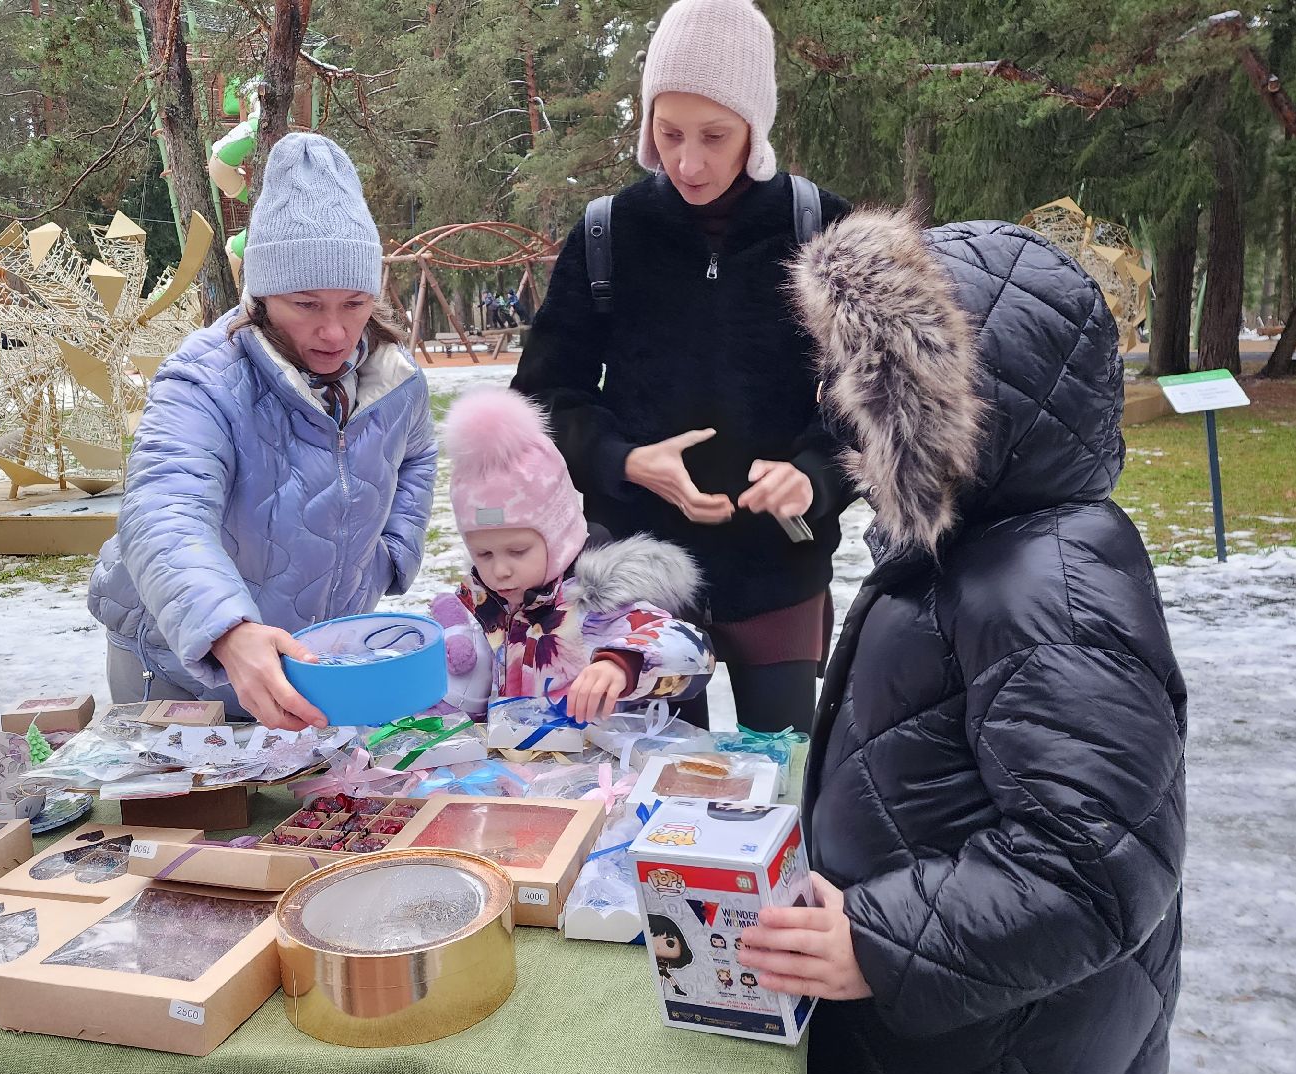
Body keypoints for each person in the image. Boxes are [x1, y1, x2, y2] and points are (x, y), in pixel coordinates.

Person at [735, 211, 1188, 1074]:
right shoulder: (975, 545)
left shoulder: (1050, 589)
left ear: (953, 404)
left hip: (1010, 1039)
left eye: (870, 376)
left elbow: (1089, 868)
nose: (835, 399)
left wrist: (876, 942)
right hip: (956, 1026)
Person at [513, 0, 853, 734]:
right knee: (658, 789)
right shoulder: (608, 234)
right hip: (643, 573)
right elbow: (540, 399)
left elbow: (880, 399)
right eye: (669, 133)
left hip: (779, 573)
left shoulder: (820, 227)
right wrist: (626, 461)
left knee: (785, 778)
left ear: (755, 129)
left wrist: (812, 475)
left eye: (715, 136)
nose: (689, 162)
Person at [88, 133, 436, 729]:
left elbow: (418, 458)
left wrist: (390, 555)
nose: (335, 332)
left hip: (311, 667)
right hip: (180, 666)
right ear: (264, 294)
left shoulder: (394, 381)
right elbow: (163, 511)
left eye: (354, 303)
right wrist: (227, 630)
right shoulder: (203, 380)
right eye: (306, 304)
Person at [426, 386, 712, 725]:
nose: (500, 569)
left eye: (518, 551)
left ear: (559, 535)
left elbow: (694, 653)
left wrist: (622, 663)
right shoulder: (484, 607)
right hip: (512, 768)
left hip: (591, 769)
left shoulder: (598, 605)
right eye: (483, 553)